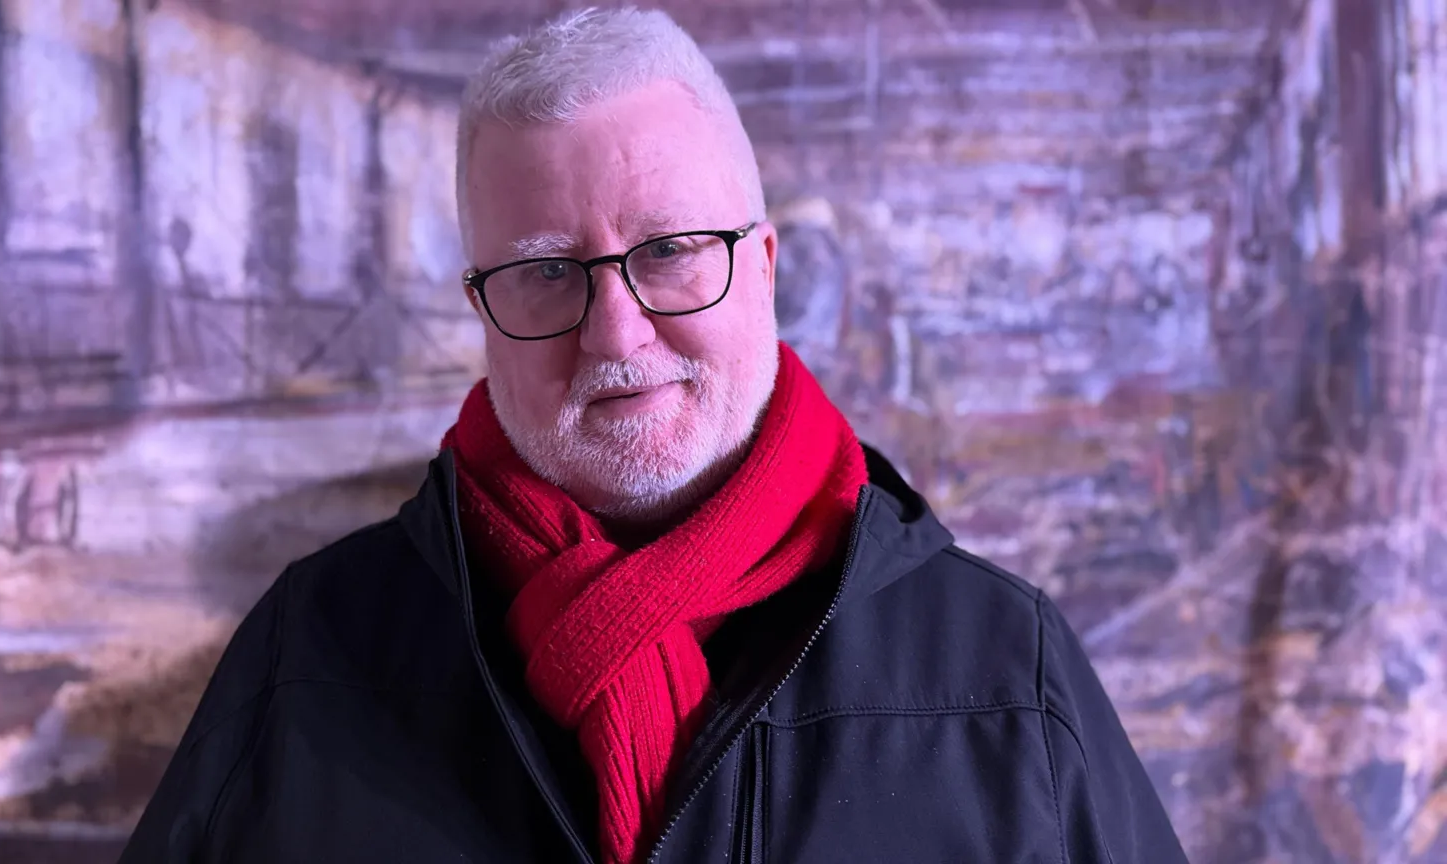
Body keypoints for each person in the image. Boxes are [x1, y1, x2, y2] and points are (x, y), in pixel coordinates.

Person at [120, 7, 1188, 863]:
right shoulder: (310, 654)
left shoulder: (1004, 673)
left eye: (672, 249)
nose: (615, 330)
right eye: (545, 269)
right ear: (481, 304)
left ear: (763, 266)